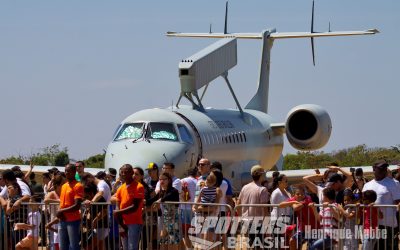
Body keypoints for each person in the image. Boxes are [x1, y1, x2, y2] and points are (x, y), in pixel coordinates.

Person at [362, 161, 400, 250]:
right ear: (374, 169)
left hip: (388, 224)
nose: (383, 170)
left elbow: (398, 201)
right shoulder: (367, 185)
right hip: (372, 224)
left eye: (384, 168)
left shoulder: (394, 183)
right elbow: (363, 203)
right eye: (380, 168)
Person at [111, 164, 144, 250]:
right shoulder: (120, 188)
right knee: (125, 247)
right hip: (123, 222)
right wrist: (121, 225)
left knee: (132, 247)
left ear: (131, 173)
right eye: (121, 172)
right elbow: (118, 206)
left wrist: (118, 212)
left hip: (134, 222)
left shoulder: (139, 187)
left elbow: (135, 207)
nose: (122, 174)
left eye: (125, 172)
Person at [237, 165, 269, 247]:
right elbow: (264, 209)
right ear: (261, 175)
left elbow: (238, 204)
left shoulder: (245, 187)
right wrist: (267, 225)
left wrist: (240, 219)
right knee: (257, 246)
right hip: (256, 222)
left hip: (245, 220)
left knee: (249, 246)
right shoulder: (262, 189)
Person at [148, 172, 180, 250]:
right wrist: (144, 202)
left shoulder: (173, 191)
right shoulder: (162, 192)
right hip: (164, 218)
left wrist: (160, 200)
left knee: (172, 240)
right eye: (160, 179)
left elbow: (167, 197)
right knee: (163, 240)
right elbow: (152, 200)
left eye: (163, 179)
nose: (161, 181)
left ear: (169, 180)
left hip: (172, 218)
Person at [57, 164, 84, 250]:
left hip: (73, 221)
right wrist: (60, 212)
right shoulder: (64, 186)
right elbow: (62, 203)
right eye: (65, 171)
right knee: (62, 246)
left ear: (74, 172)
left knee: (73, 246)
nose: (66, 173)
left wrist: (61, 211)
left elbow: (77, 206)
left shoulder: (78, 186)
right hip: (62, 220)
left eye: (69, 171)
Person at [82, 182, 109, 250]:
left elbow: (105, 211)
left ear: (92, 193)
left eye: (87, 196)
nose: (86, 198)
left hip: (101, 227)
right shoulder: (90, 200)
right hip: (95, 228)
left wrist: (95, 220)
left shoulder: (100, 199)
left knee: (90, 247)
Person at [44, 175, 65, 250]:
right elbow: (46, 200)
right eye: (62, 184)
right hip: (54, 221)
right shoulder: (52, 193)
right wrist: (58, 201)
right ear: (57, 185)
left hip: (63, 220)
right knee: (55, 243)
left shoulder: (64, 193)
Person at [180, 167, 198, 249]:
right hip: (195, 209)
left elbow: (181, 194)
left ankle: (189, 248)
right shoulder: (198, 181)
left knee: (185, 233)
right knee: (194, 232)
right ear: (196, 173)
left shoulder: (183, 180)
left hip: (184, 208)